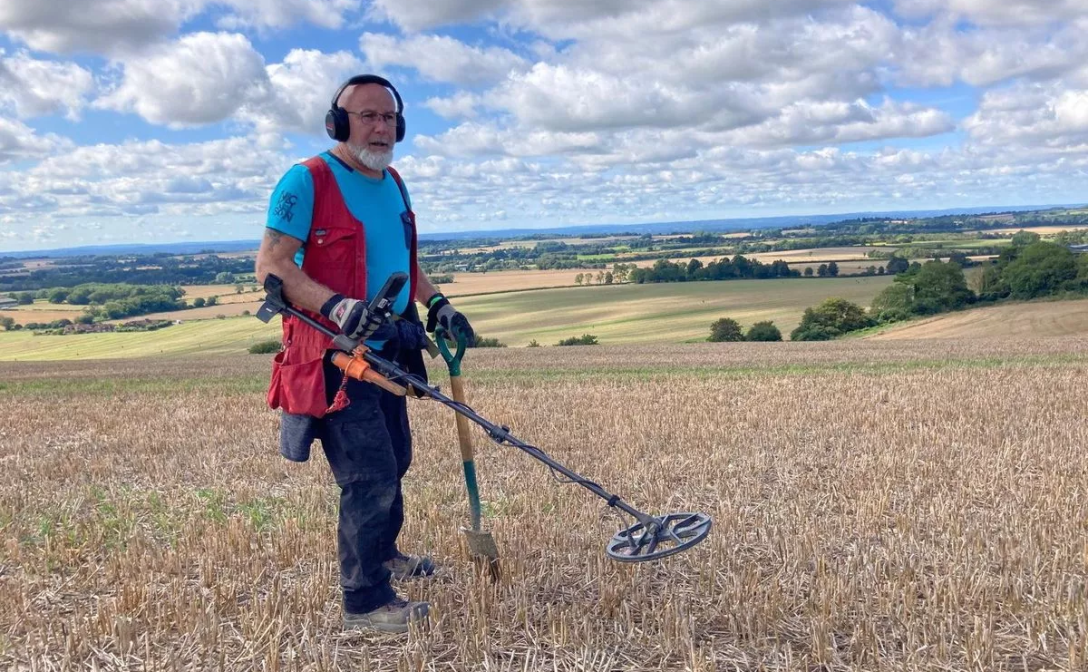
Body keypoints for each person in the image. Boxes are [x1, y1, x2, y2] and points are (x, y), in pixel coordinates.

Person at [254, 74, 476, 634]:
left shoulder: (394, 182)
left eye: (388, 119)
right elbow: (273, 267)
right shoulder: (306, 181)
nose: (380, 128)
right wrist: (336, 306)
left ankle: (383, 553)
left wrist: (438, 303)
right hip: (337, 356)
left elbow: (404, 261)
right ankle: (365, 601)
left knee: (396, 460)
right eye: (367, 116)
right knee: (369, 476)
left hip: (392, 351)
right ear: (338, 123)